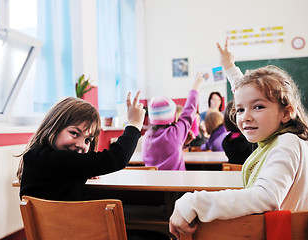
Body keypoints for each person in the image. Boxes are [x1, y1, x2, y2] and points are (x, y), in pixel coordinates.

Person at [169, 40, 308, 238]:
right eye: (240, 110)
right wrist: (229, 68)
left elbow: (266, 196)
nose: (245, 117)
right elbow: (247, 94)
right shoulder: (283, 137)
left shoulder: (287, 143)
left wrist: (193, 202)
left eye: (258, 107)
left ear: (286, 113)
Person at [17, 92, 145, 201]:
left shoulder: (37, 157)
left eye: (87, 140)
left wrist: (82, 171)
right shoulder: (57, 160)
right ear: (54, 127)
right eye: (74, 133)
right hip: (73, 229)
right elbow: (117, 157)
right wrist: (134, 124)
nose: (80, 145)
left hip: (46, 230)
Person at [142, 73, 204, 170]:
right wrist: (196, 86)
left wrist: (182, 144)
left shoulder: (146, 136)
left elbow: (163, 156)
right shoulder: (175, 132)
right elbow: (189, 109)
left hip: (153, 183)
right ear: (172, 114)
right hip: (176, 184)